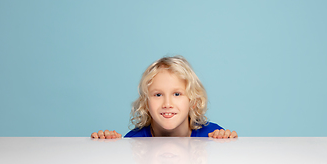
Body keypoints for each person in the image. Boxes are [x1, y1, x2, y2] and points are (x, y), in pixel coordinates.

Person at [91, 56, 238, 139]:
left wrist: (227, 141)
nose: (167, 103)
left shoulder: (212, 135)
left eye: (177, 94)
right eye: (158, 95)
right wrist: (108, 146)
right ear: (146, 104)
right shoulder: (134, 140)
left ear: (193, 101)